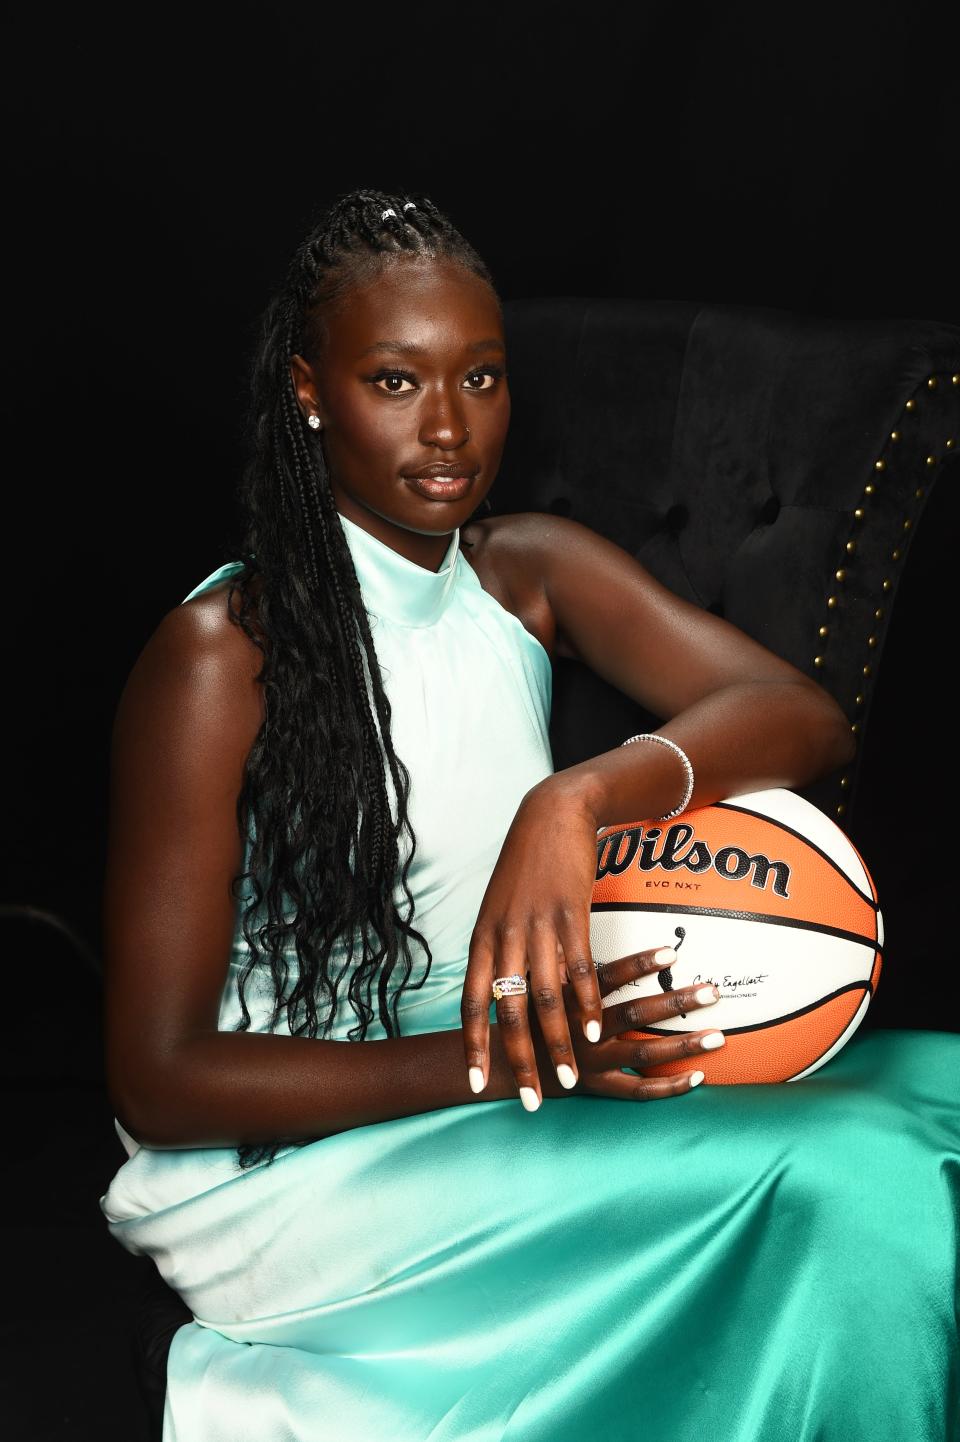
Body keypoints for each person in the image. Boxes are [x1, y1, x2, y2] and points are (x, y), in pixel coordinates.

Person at [101, 188, 960, 1442]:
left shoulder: (528, 573)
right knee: (858, 1190)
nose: (450, 427)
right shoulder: (221, 657)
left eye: (483, 378)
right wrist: (495, 1063)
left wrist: (581, 794)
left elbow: (799, 713)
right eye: (395, 381)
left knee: (936, 1099)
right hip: (310, 1151)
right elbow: (161, 1079)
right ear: (307, 389)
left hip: (531, 1039)